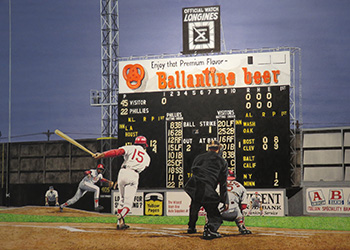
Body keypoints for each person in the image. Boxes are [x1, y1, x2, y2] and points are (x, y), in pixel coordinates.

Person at [93, 135, 151, 230]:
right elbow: (142, 168)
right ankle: (121, 215)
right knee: (128, 204)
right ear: (145, 146)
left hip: (122, 172)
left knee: (121, 200)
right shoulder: (147, 158)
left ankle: (120, 223)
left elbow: (117, 152)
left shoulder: (130, 147)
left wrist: (102, 154)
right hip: (134, 174)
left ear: (135, 143)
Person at [184, 140, 229, 240]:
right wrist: (224, 200)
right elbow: (223, 184)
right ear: (218, 149)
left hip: (193, 185)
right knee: (214, 214)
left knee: (195, 203)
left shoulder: (199, 157)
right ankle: (210, 230)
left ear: (209, 148)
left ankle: (191, 227)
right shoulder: (222, 161)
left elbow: (193, 169)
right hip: (207, 187)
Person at [221, 170, 252, 235]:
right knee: (239, 211)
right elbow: (244, 206)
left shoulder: (217, 185)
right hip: (234, 213)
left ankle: (210, 227)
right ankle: (241, 227)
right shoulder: (240, 186)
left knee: (210, 209)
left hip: (219, 213)